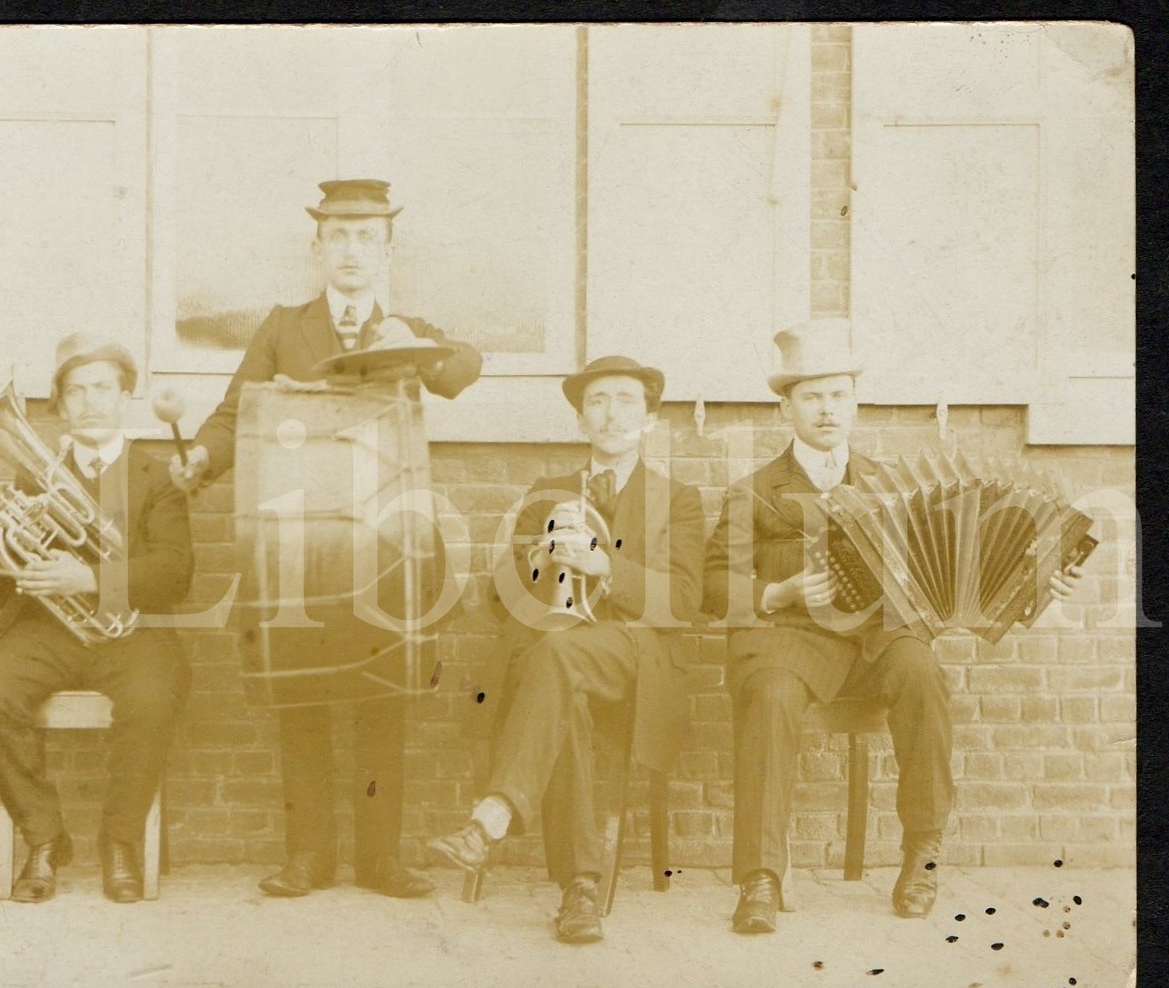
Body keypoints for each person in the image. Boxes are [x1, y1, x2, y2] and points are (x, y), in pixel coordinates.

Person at [701, 318, 1081, 935]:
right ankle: (760, 878)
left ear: (854, 402)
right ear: (785, 409)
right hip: (788, 640)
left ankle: (922, 854)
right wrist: (778, 591)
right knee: (769, 695)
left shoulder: (890, 485)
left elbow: (969, 554)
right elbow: (712, 585)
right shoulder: (754, 490)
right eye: (811, 397)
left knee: (923, 671)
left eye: (838, 395)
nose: (827, 410)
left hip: (876, 639)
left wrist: (1033, 581)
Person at [170, 179, 482, 899]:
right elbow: (230, 415)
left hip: (387, 540)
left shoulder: (402, 325)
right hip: (298, 541)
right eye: (337, 235)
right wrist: (202, 460)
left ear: (386, 248)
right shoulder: (283, 328)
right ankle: (307, 855)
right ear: (317, 247)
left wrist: (418, 351)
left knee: (384, 695)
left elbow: (465, 369)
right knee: (300, 691)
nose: (350, 249)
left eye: (365, 235)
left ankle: (380, 858)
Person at [427, 357, 703, 943]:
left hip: (636, 655)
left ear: (649, 420)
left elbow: (682, 600)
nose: (611, 413)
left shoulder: (678, 499)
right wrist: (541, 560)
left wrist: (607, 565)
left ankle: (495, 812)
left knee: (557, 660)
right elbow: (506, 598)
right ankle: (579, 892)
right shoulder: (545, 494)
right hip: (558, 661)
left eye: (627, 401)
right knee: (561, 678)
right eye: (598, 401)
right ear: (582, 421)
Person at [0, 336, 193, 905]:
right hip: (44, 631)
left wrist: (89, 579)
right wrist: (22, 558)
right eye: (76, 391)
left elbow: (175, 574)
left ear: (124, 399)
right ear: (61, 406)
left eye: (102, 388)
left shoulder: (158, 475)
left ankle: (120, 842)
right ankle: (44, 840)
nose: (90, 402)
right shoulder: (31, 476)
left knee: (157, 697)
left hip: (131, 632)